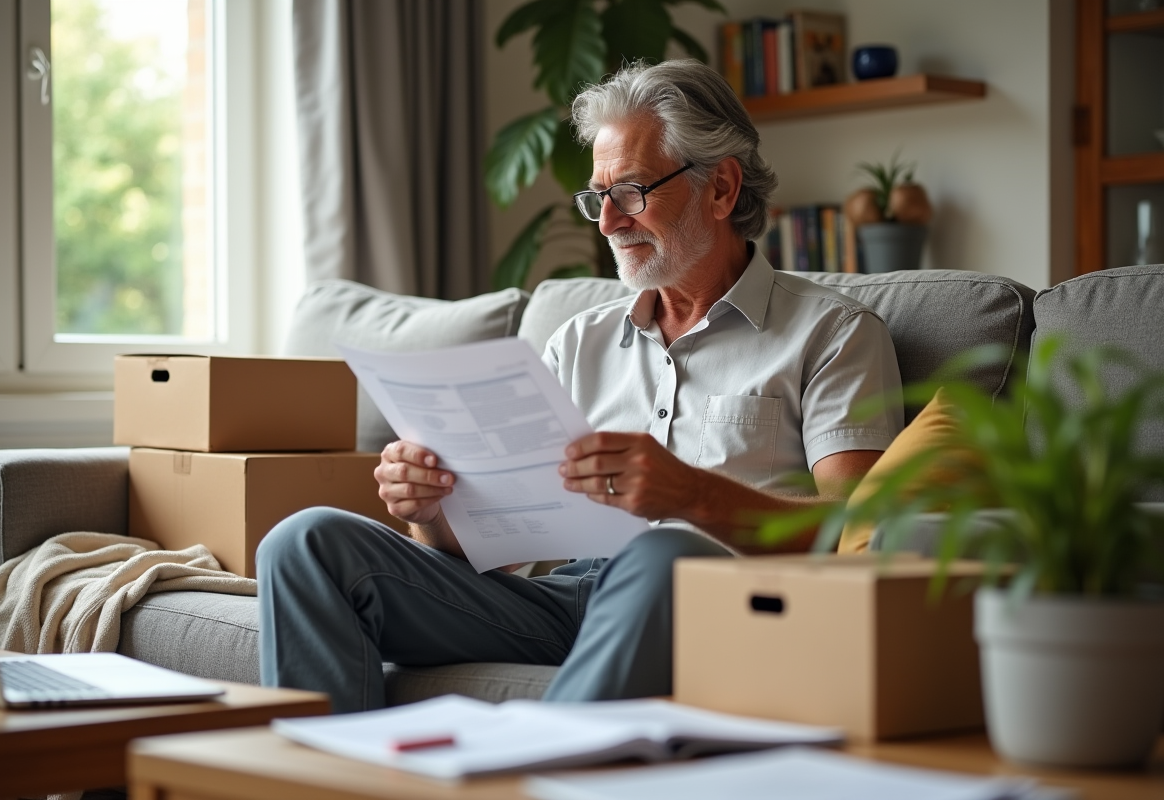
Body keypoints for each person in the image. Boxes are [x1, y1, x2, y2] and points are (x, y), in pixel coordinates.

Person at [257, 59, 903, 714]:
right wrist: (431, 512)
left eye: (631, 192)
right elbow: (493, 546)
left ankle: (534, 771)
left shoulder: (833, 334)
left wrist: (692, 494)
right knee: (304, 543)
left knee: (664, 553)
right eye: (599, 197)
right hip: (562, 599)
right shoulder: (579, 341)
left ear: (721, 189)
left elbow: (857, 534)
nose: (607, 223)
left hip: (716, 600)